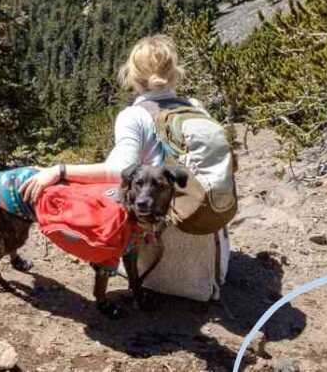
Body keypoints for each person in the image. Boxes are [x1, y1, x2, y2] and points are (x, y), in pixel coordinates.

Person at [21, 34, 231, 302]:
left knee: (115, 194)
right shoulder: (196, 107)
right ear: (174, 73)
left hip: (164, 264)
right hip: (210, 258)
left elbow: (118, 169)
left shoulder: (134, 116)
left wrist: (59, 170)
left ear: (133, 75)